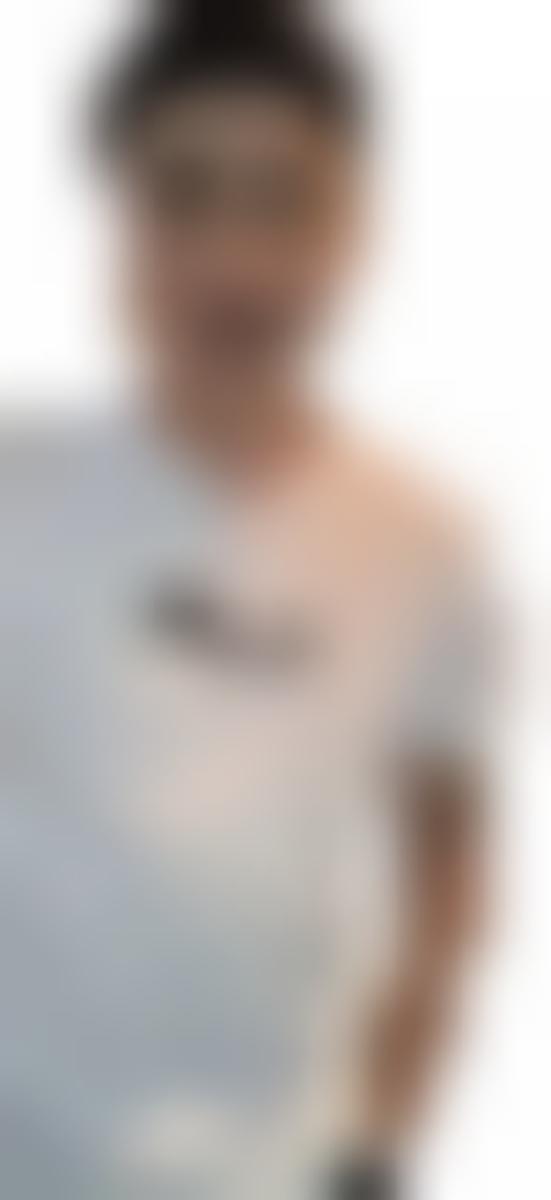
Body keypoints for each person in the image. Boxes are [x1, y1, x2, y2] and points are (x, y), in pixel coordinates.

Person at [0, 1, 493, 1197]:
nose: (232, 257)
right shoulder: (17, 492)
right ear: (122, 226)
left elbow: (445, 865)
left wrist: (378, 1142)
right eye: (183, 195)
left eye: (281, 196)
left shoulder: (419, 549)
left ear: (350, 227)